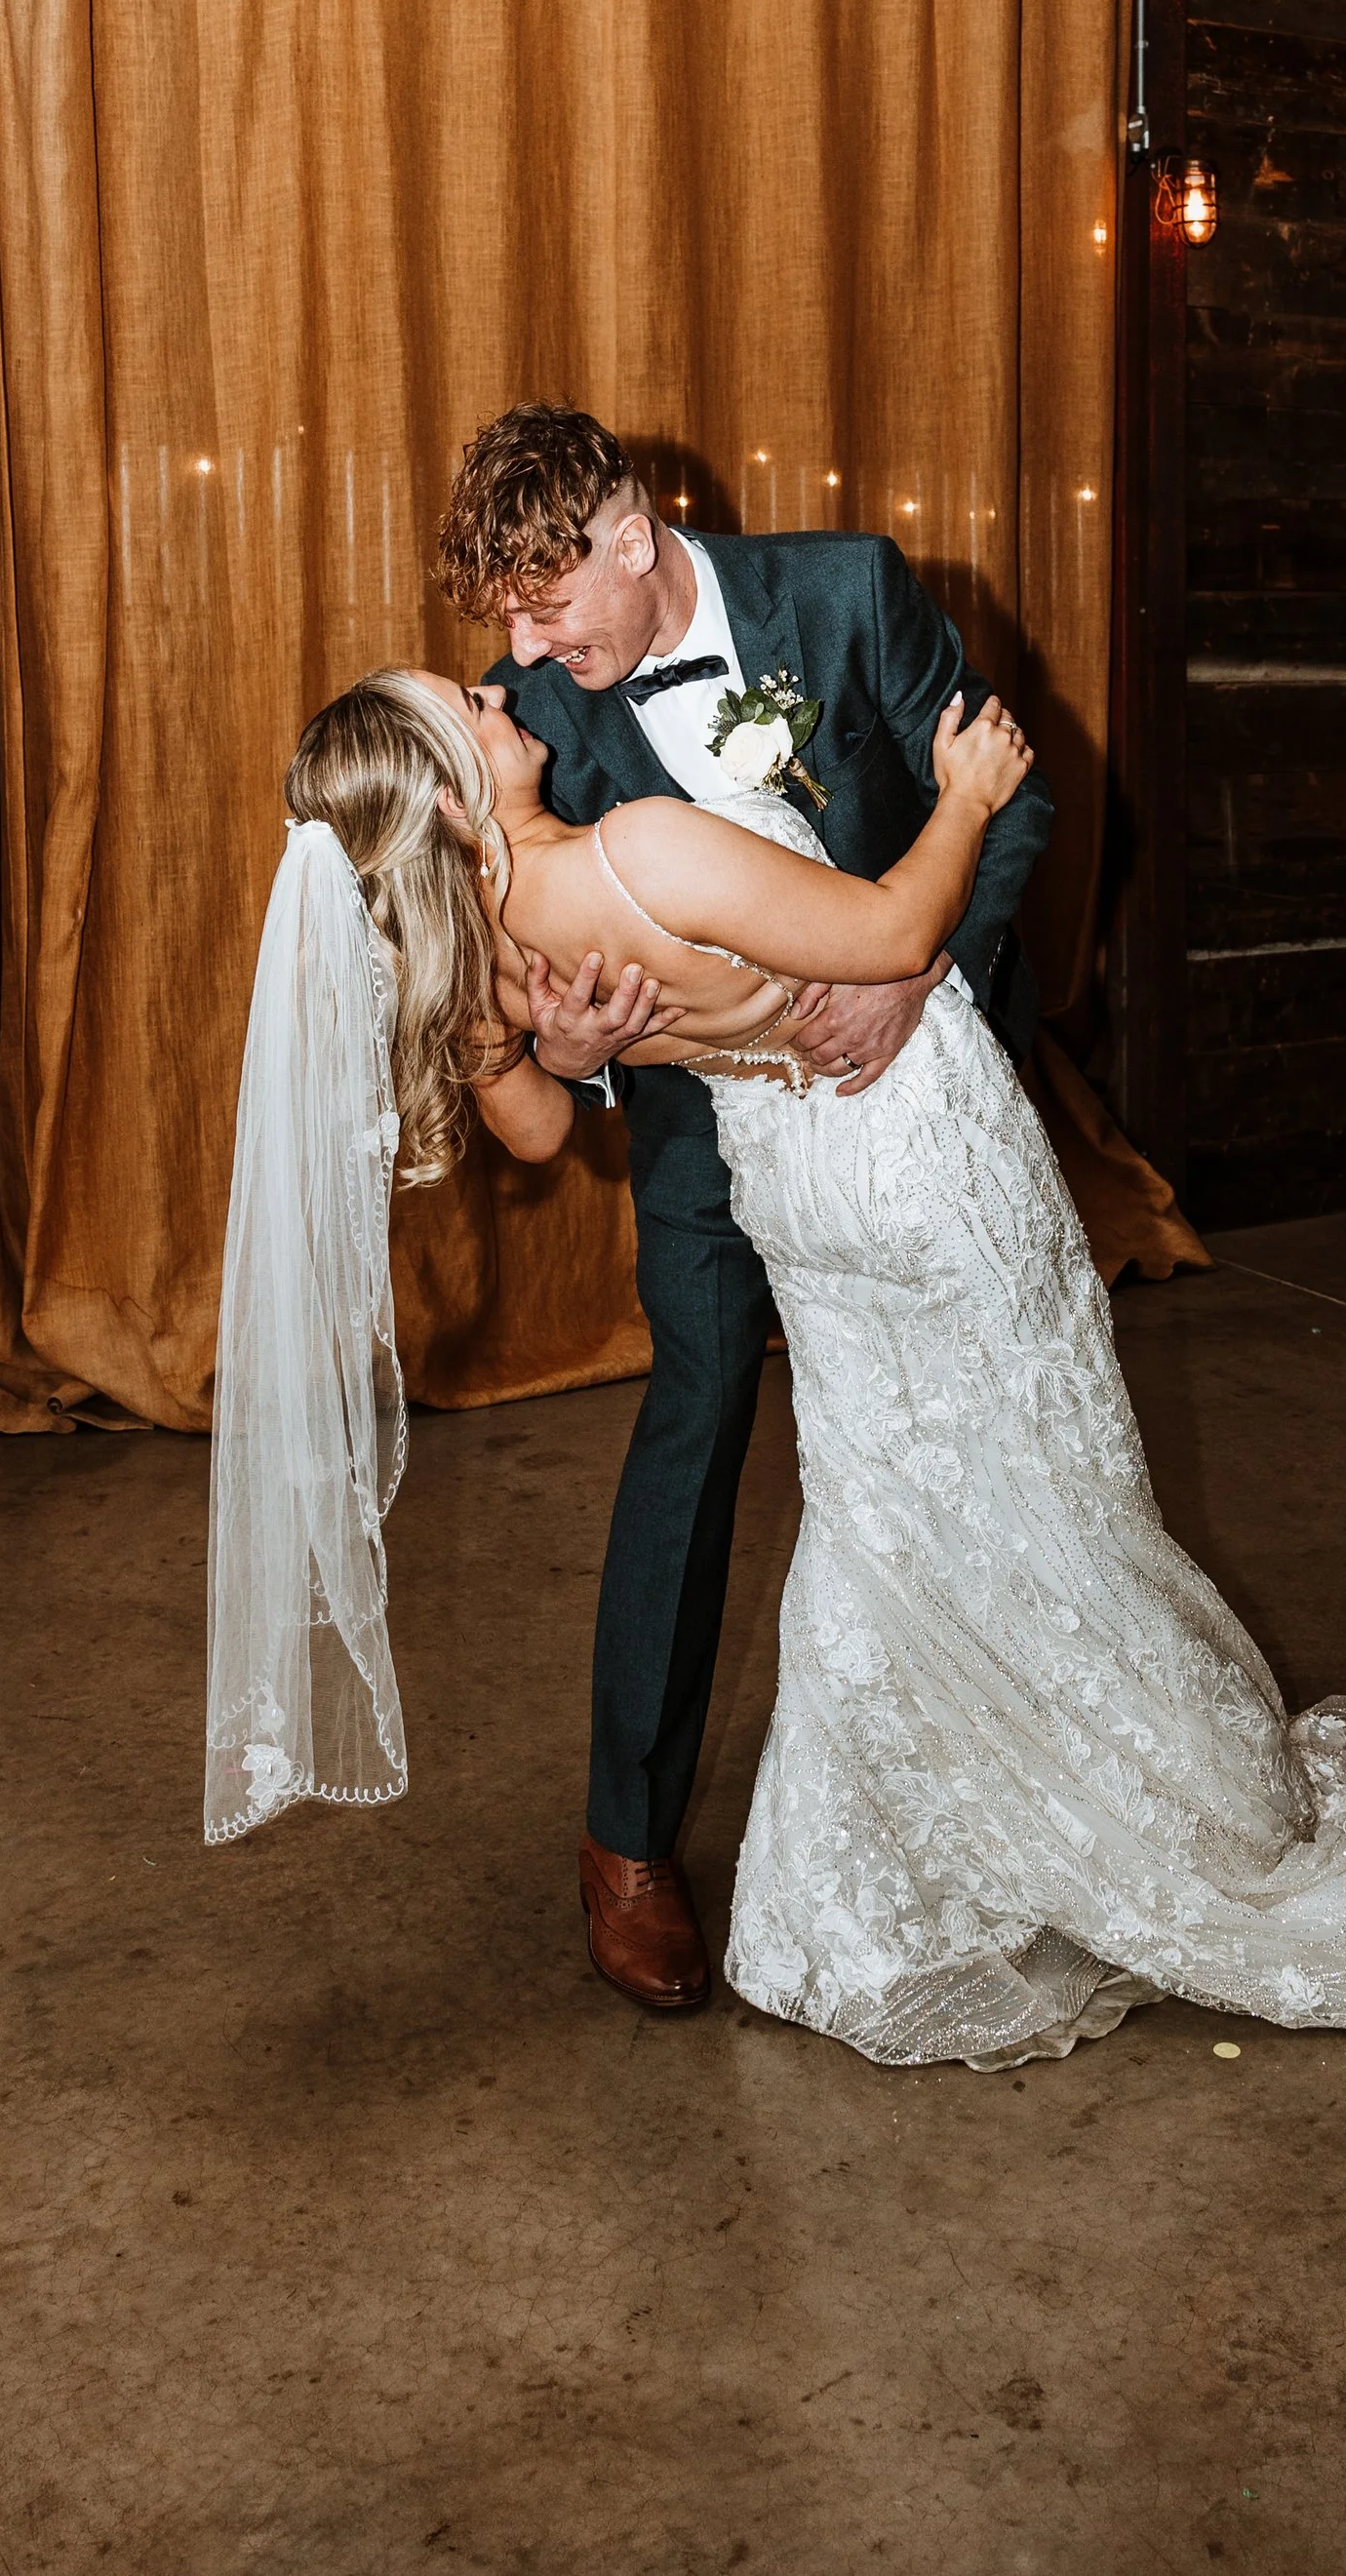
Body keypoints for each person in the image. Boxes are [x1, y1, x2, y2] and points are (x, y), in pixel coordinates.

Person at [206, 637, 1346, 2070]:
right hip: (914, 1164)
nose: (504, 690)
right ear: (453, 793)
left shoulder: (483, 948)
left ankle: (912, 1866)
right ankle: (1171, 1824)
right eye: (470, 705)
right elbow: (899, 937)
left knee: (892, 1516)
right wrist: (964, 794)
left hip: (800, 1208)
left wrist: (588, 1051)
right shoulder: (637, 843)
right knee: (1058, 1492)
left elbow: (530, 1125)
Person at [436, 407, 1060, 2014]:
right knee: (700, 1410)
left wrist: (919, 970)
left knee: (967, 1419)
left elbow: (1017, 802)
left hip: (903, 1095)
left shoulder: (849, 593)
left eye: (546, 599)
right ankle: (625, 1844)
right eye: (498, 615)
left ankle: (1021, 1771)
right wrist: (571, 1061)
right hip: (709, 1129)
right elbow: (532, 996)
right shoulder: (532, 722)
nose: (520, 648)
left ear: (632, 535)